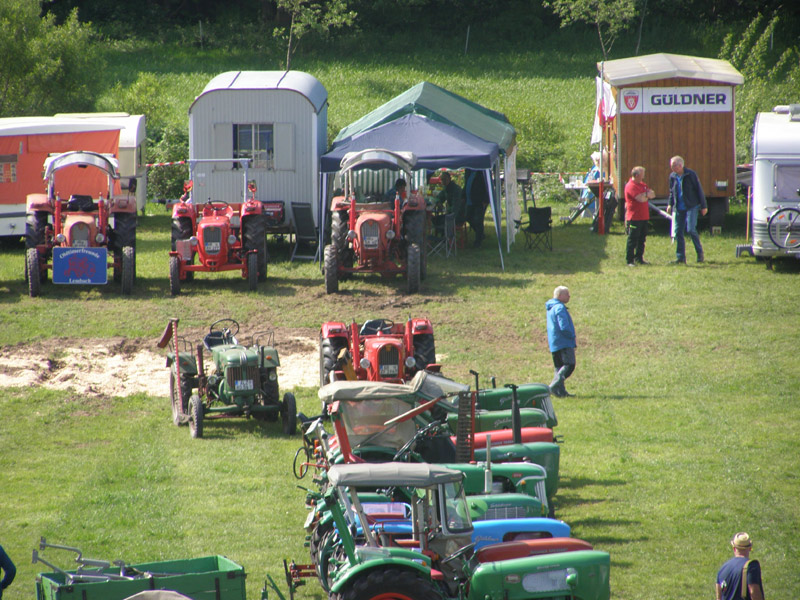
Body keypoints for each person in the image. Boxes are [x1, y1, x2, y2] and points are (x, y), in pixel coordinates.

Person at [667, 155, 707, 263]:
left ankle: (699, 253)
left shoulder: (691, 174)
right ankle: (680, 257)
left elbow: (699, 190)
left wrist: (704, 206)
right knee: (678, 231)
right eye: (671, 166)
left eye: (673, 165)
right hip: (679, 207)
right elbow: (672, 192)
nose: (672, 168)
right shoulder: (672, 176)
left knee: (691, 229)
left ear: (680, 165)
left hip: (691, 206)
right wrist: (670, 204)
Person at [545, 286, 576, 397]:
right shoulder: (559, 308)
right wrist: (571, 335)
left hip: (554, 342)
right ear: (560, 296)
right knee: (569, 364)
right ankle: (553, 387)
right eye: (567, 293)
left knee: (559, 367)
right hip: (564, 341)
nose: (569, 296)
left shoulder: (550, 308)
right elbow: (563, 326)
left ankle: (560, 392)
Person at [716, 532, 764, 600]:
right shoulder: (751, 566)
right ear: (750, 548)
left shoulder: (722, 569)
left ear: (734, 548)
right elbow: (753, 592)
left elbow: (719, 597)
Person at [623, 165, 655, 266]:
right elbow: (640, 199)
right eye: (642, 175)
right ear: (636, 175)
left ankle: (639, 258)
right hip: (634, 217)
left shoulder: (642, 185)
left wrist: (645, 195)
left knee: (642, 239)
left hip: (644, 216)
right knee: (633, 239)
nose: (643, 176)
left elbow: (653, 194)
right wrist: (646, 195)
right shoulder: (631, 186)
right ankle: (630, 260)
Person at [463, 169, 490, 247]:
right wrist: (463, 195)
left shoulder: (481, 172)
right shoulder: (468, 171)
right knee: (468, 217)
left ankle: (478, 241)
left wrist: (485, 199)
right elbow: (466, 184)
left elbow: (486, 185)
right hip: (469, 200)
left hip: (479, 200)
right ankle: (480, 234)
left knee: (478, 220)